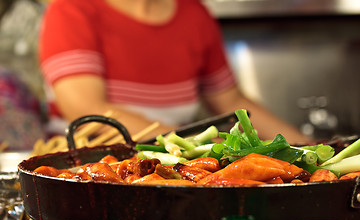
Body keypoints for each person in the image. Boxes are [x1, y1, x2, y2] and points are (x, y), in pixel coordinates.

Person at [39, 0, 309, 143]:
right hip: (86, 172)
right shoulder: (72, 10)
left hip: (175, 169)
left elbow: (232, 102)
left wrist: (312, 147)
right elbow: (87, 111)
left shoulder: (195, 15)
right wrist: (188, 141)